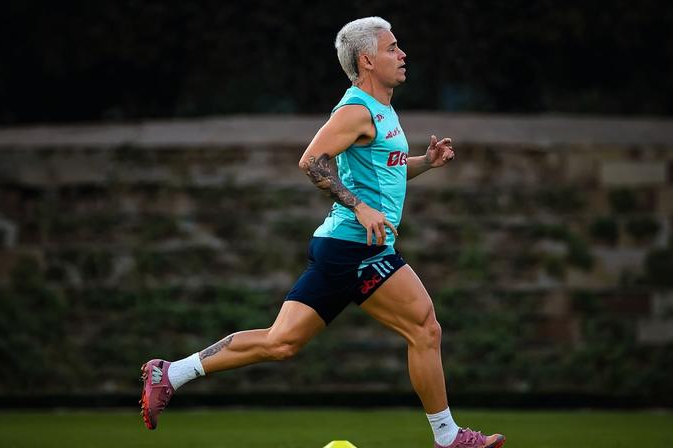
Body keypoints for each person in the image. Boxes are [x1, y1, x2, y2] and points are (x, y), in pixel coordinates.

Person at [140, 16, 506, 448]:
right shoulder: (355, 110)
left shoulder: (382, 110)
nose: (402, 53)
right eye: (392, 48)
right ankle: (448, 437)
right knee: (425, 328)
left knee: (281, 342)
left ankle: (172, 373)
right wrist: (360, 205)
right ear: (367, 60)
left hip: (341, 247)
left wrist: (424, 162)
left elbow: (383, 173)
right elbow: (311, 161)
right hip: (357, 247)